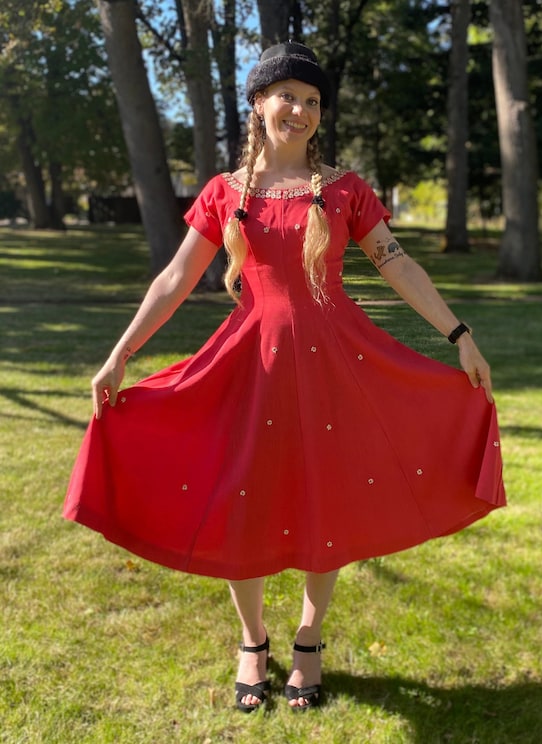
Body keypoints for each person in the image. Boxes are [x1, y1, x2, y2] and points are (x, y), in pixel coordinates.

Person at [64, 41, 506, 713]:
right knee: (244, 496)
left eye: (312, 101)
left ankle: (308, 640)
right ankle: (251, 639)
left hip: (335, 365)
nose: (298, 110)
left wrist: (460, 334)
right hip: (252, 365)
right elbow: (175, 279)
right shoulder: (224, 194)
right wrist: (121, 352)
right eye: (287, 97)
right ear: (258, 104)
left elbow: (399, 265)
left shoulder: (346, 190)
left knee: (323, 499)